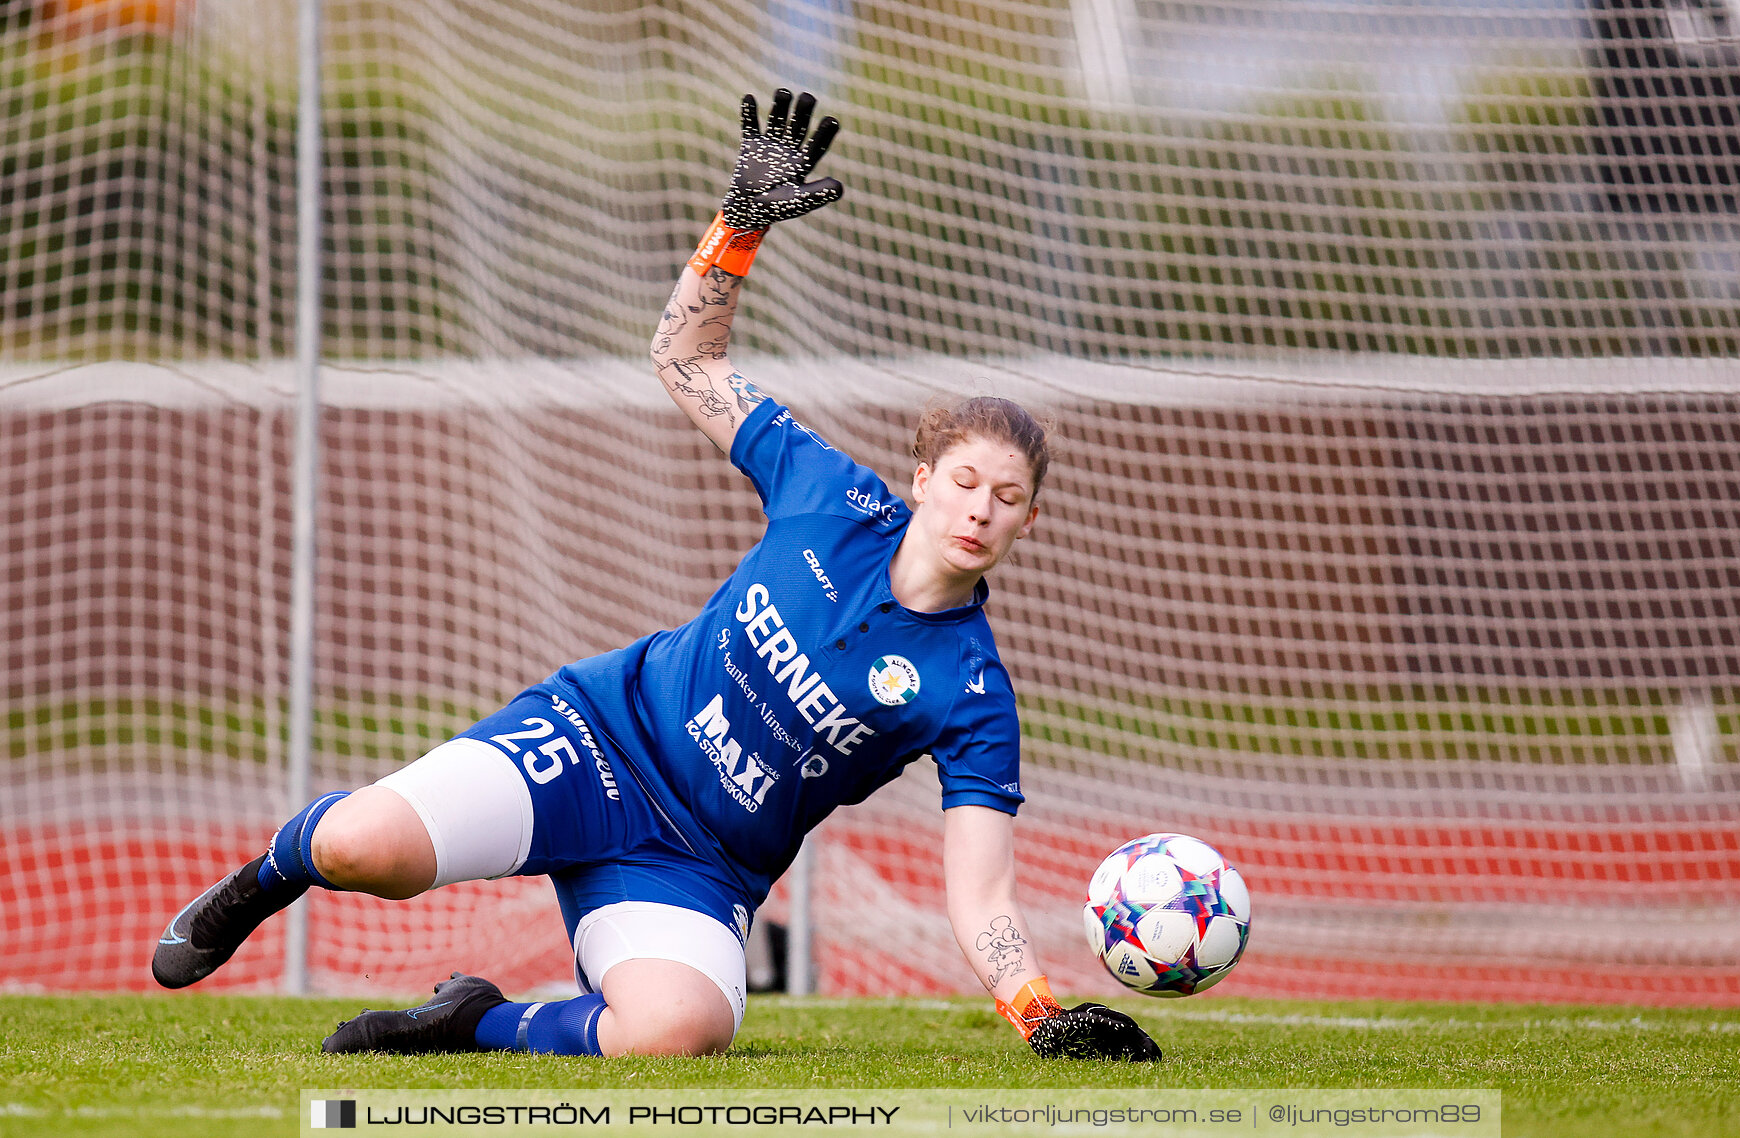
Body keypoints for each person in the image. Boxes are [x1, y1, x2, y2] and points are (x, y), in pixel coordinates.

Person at [151, 89, 1160, 1064]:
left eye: (1009, 496)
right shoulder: (826, 493)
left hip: (694, 866)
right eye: (966, 481)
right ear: (922, 480)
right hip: (596, 738)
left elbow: (980, 894)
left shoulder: (974, 693)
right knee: (365, 848)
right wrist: (740, 226)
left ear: (1030, 519)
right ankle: (257, 881)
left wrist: (1037, 1010)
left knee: (679, 1030)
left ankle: (471, 1020)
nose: (980, 509)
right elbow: (684, 355)